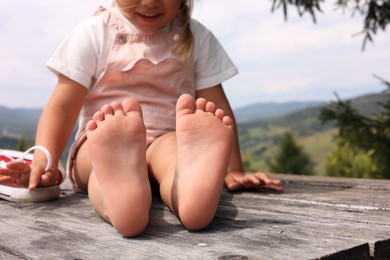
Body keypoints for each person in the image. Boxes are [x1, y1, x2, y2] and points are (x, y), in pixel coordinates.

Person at [0, 0, 282, 237]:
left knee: (176, 158)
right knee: (100, 165)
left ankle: (190, 202)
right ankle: (121, 200)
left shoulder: (197, 36)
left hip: (167, 138)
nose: (149, 1)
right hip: (102, 138)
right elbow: (62, 107)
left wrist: (232, 169)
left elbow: (216, 107)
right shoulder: (94, 33)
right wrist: (45, 160)